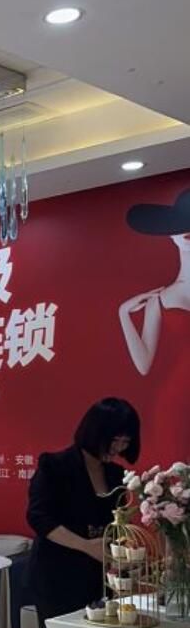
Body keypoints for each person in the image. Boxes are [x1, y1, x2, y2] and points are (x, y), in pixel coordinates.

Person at [26, 398, 141, 628]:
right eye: (115, 440)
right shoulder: (55, 466)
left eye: (126, 442)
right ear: (96, 432)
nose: (119, 448)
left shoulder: (116, 474)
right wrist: (86, 546)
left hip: (98, 577)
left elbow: (117, 523)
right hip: (57, 574)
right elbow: (39, 517)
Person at [119, 188, 190, 463]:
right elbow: (143, 365)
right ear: (170, 234)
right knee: (176, 476)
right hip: (176, 402)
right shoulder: (160, 299)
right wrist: (123, 314)